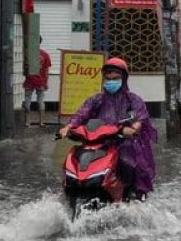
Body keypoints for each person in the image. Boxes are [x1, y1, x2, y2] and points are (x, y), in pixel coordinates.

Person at [60, 57, 157, 200]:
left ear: (123, 79)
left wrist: (133, 128)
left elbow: (139, 118)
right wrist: (69, 127)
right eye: (108, 78)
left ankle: (131, 195)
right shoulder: (96, 100)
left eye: (116, 78)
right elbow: (82, 114)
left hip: (124, 142)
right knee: (76, 158)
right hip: (99, 142)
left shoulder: (133, 100)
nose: (111, 81)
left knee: (128, 161)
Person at [22, 38, 52, 128]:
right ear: (40, 42)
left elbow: (24, 70)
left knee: (27, 101)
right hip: (40, 81)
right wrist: (46, 82)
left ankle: (27, 122)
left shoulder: (27, 54)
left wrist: (26, 75)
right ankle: (41, 122)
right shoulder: (45, 55)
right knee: (41, 101)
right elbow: (46, 71)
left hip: (29, 80)